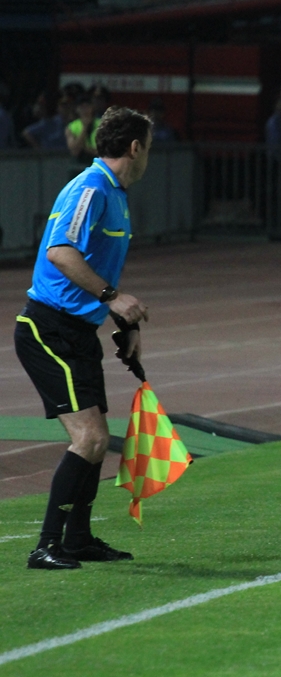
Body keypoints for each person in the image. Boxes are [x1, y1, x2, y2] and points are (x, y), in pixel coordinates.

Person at [13, 107, 154, 569]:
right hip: (48, 330)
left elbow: (96, 265)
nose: (149, 157)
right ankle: (46, 545)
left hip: (77, 331)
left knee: (98, 439)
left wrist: (125, 324)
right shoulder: (90, 188)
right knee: (90, 439)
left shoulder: (115, 194)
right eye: (149, 147)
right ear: (135, 147)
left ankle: (77, 539)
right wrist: (113, 297)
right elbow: (60, 252)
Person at [65, 94, 99, 162]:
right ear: (77, 109)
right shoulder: (71, 127)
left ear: (92, 108)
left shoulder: (102, 124)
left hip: (99, 161)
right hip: (80, 162)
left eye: (87, 106)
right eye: (82, 107)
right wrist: (85, 127)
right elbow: (74, 151)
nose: (85, 110)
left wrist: (87, 150)